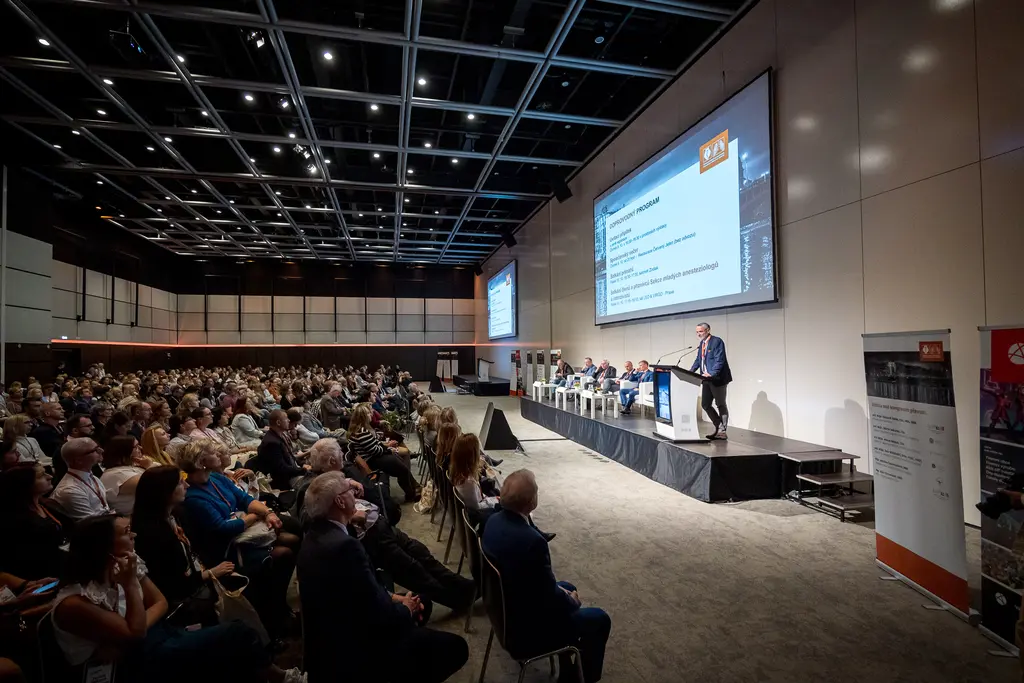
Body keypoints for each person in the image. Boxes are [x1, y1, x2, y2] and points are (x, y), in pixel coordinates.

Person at [49, 515, 294, 683]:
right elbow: (136, 632)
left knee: (228, 645)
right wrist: (131, 587)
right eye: (126, 532)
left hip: (152, 636)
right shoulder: (74, 602)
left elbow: (160, 603)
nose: (134, 534)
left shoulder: (124, 565)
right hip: (125, 666)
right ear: (104, 547)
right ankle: (282, 678)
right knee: (237, 633)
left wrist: (129, 633)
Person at [297, 472, 469, 683]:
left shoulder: (319, 534)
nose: (354, 494)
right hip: (356, 648)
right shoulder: (344, 547)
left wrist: (397, 599)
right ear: (340, 502)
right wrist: (406, 608)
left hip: (343, 625)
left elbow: (362, 591)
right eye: (349, 490)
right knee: (457, 647)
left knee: (422, 599)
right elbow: (377, 614)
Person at [298, 440, 472, 611]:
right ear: (331, 461)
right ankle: (458, 600)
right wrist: (350, 517)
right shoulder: (311, 487)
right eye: (339, 455)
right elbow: (308, 519)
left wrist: (349, 483)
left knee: (421, 553)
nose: (343, 456)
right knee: (414, 571)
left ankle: (466, 586)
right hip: (372, 538)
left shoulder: (333, 476)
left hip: (380, 525)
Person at [483, 470, 610, 683]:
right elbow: (549, 597)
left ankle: (569, 669)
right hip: (524, 633)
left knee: (567, 586)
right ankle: (582, 679)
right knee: (600, 619)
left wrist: (562, 593)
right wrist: (571, 601)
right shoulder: (533, 541)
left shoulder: (493, 521)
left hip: (503, 613)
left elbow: (542, 586)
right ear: (531, 502)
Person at [177, 440, 299, 637]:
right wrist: (254, 516)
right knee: (283, 553)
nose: (217, 454)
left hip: (244, 534)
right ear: (202, 461)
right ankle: (274, 617)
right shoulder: (193, 497)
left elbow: (245, 499)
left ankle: (283, 603)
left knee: (292, 538)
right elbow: (223, 528)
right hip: (227, 548)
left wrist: (267, 513)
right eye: (212, 452)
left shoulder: (216, 478)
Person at [131, 466, 235, 623]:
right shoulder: (149, 533)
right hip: (183, 596)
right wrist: (210, 573)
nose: (187, 485)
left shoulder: (177, 514)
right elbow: (170, 584)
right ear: (165, 492)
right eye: (180, 482)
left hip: (197, 575)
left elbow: (196, 549)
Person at [0, 464, 68, 579]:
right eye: (41, 475)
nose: (50, 476)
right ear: (25, 484)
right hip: (40, 577)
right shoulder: (15, 520)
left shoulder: (45, 505)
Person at [346, 404, 419, 502]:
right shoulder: (362, 432)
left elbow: (375, 444)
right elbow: (375, 451)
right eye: (368, 413)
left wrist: (386, 447)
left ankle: (414, 489)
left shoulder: (361, 429)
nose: (370, 414)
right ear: (363, 416)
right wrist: (389, 449)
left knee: (401, 464)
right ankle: (411, 494)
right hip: (372, 460)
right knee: (402, 469)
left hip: (374, 457)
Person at [51, 438, 111, 520]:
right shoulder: (70, 490)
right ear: (79, 460)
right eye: (95, 450)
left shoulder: (92, 477)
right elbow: (91, 523)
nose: (102, 450)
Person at [690, 322, 732, 439]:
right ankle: (719, 426)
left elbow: (720, 360)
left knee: (720, 404)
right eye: (697, 332)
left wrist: (712, 373)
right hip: (705, 378)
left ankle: (722, 432)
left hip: (717, 379)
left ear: (708, 330)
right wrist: (691, 371)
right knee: (705, 404)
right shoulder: (702, 343)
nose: (698, 334)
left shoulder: (717, 341)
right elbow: (698, 360)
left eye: (700, 331)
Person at [254, 409, 310, 490]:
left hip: (293, 472)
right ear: (278, 422)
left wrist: (302, 465)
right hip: (287, 480)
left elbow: (290, 458)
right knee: (318, 483)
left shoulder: (279, 435)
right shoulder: (271, 443)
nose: (289, 420)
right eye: (286, 418)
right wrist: (302, 470)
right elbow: (282, 469)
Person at [99, 435, 150, 516]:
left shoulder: (132, 466)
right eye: (136, 446)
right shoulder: (114, 474)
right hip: (132, 518)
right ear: (124, 451)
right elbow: (153, 484)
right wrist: (149, 467)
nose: (140, 448)